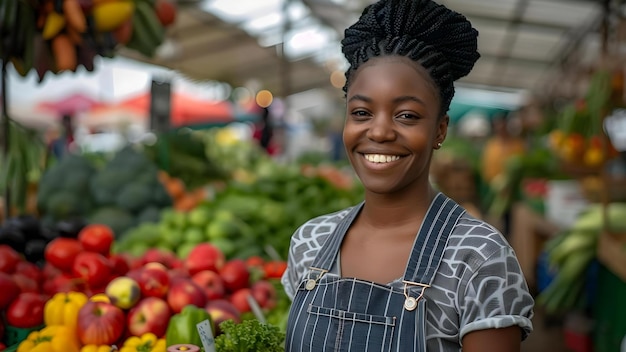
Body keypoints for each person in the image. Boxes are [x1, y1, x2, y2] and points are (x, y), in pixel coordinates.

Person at [280, 0, 534, 351]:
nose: (380, 131)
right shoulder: (310, 243)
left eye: (407, 116)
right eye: (361, 112)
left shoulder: (477, 257)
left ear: (440, 130)